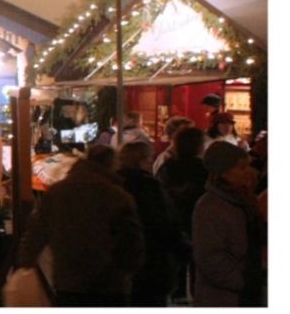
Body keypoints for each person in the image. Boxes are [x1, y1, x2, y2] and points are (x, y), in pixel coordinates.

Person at [17, 145, 144, 306]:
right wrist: (128, 270)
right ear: (111, 164)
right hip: (110, 283)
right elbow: (132, 242)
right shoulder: (117, 196)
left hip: (69, 281)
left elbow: (36, 231)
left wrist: (26, 260)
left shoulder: (57, 193)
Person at [191, 140, 264, 306]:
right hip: (224, 297)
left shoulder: (245, 200)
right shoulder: (210, 207)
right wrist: (244, 281)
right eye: (241, 167)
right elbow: (210, 257)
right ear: (224, 172)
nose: (249, 172)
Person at [117, 141, 183, 306]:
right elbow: (163, 223)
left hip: (124, 261)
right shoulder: (148, 187)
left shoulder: (114, 183)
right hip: (151, 260)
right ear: (141, 160)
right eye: (149, 158)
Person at [156, 125, 208, 303]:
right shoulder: (202, 168)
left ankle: (178, 293)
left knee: (178, 258)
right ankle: (196, 292)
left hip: (174, 217)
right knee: (197, 259)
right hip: (197, 218)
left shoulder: (168, 166)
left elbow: (161, 191)